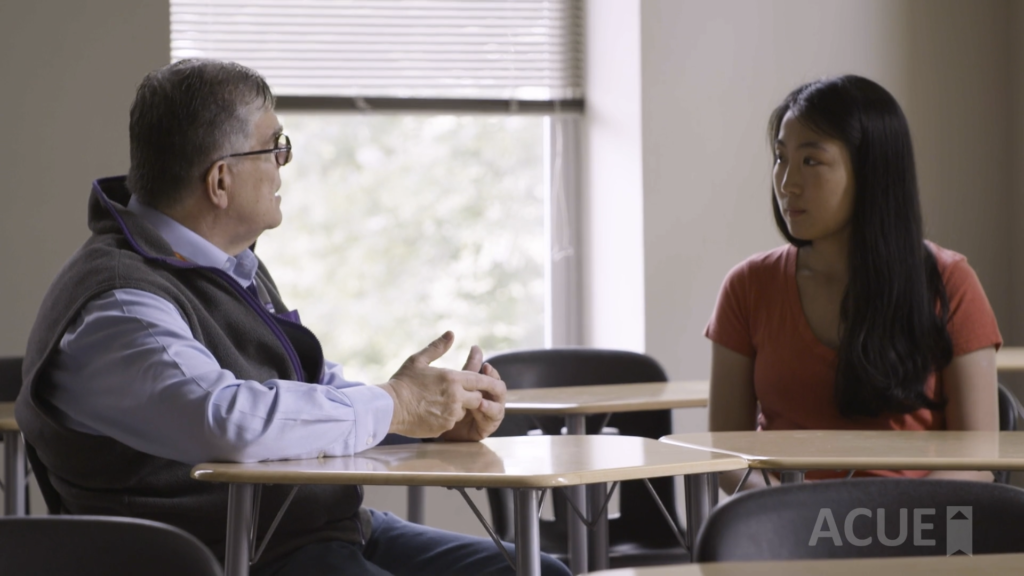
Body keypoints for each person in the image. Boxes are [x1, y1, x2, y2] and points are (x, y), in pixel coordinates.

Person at [16, 59, 570, 576]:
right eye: (273, 147)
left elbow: (311, 394)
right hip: (224, 555)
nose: (283, 164)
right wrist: (396, 402)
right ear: (221, 180)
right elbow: (227, 420)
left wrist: (424, 420)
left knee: (545, 571)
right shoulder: (118, 305)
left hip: (321, 531)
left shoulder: (230, 268)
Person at [706, 75, 1002, 492]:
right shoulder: (748, 286)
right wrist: (790, 514)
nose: (786, 182)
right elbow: (726, 457)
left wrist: (888, 525)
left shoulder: (950, 282)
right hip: (783, 528)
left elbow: (979, 459)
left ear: (871, 172)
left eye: (811, 161)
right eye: (780, 157)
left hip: (916, 526)